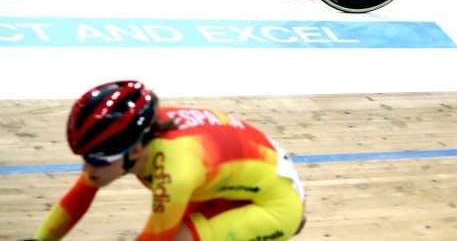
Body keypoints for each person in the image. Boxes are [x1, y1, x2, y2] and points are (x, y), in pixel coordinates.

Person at [30, 79, 306, 241]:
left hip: (275, 204)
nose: (88, 170)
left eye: (98, 161)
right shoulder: (135, 138)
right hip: (229, 183)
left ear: (135, 151)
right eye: (85, 158)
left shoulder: (174, 169)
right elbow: (80, 194)